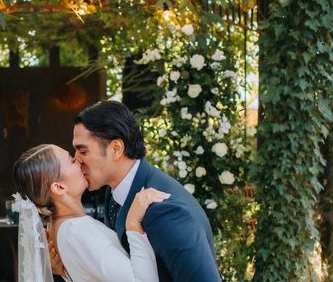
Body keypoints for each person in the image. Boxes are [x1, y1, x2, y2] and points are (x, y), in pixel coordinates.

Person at [71, 100, 222, 282]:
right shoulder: (113, 193)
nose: (76, 160)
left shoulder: (165, 210)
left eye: (83, 151)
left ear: (116, 149)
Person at [13, 143, 169, 281]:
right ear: (59, 187)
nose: (79, 159)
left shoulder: (56, 227)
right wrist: (133, 223)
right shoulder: (77, 230)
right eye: (71, 160)